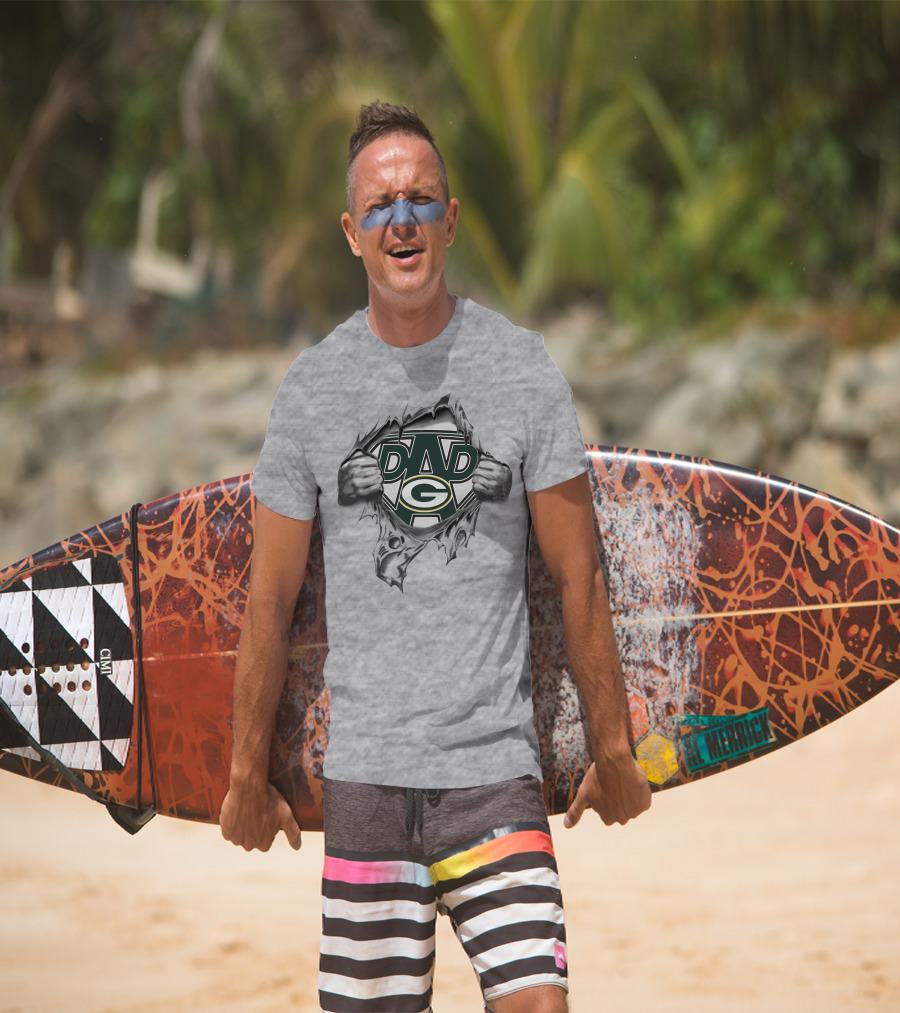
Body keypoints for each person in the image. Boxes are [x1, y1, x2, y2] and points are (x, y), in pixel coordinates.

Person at [220, 100, 651, 1013]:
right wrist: (242, 772)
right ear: (351, 232)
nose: (402, 220)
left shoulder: (522, 368)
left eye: (421, 200)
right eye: (380, 206)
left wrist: (612, 746)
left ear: (450, 219)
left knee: (540, 1003)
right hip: (368, 781)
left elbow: (579, 574)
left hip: (495, 774)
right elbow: (269, 600)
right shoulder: (312, 390)